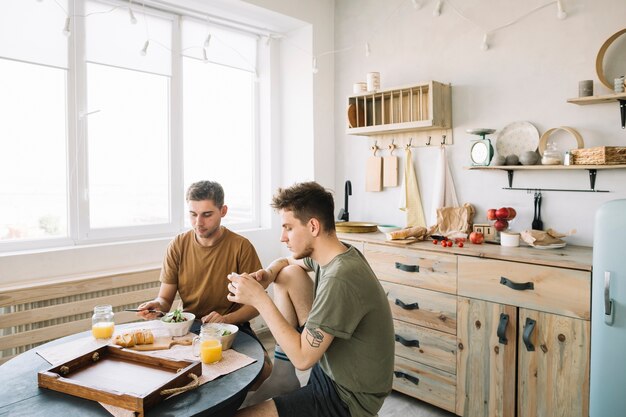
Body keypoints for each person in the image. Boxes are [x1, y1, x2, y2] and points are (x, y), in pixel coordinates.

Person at [228, 181, 395, 417]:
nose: (282, 237)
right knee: (288, 275)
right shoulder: (335, 254)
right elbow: (287, 262)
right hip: (330, 370)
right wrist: (268, 274)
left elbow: (303, 359)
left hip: (347, 398)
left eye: (288, 228)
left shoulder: (341, 278)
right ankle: (283, 377)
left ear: (313, 226)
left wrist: (259, 299)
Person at [135, 180, 272, 384]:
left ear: (223, 211)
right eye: (193, 214)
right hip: (189, 327)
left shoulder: (241, 247)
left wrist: (226, 320)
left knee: (263, 372)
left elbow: (256, 305)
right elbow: (164, 299)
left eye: (207, 215)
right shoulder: (178, 245)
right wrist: (157, 306)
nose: (198, 222)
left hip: (232, 327)